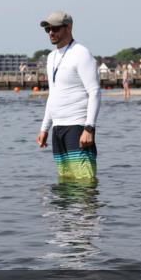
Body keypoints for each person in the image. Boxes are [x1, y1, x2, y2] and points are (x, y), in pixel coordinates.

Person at [35, 11, 100, 182]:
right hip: (58, 128)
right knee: (65, 183)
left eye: (55, 28)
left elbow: (94, 91)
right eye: (48, 29)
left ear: (68, 27)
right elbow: (53, 94)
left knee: (84, 182)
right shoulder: (51, 57)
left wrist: (89, 128)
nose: (51, 32)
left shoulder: (81, 53)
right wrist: (44, 128)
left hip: (77, 127)